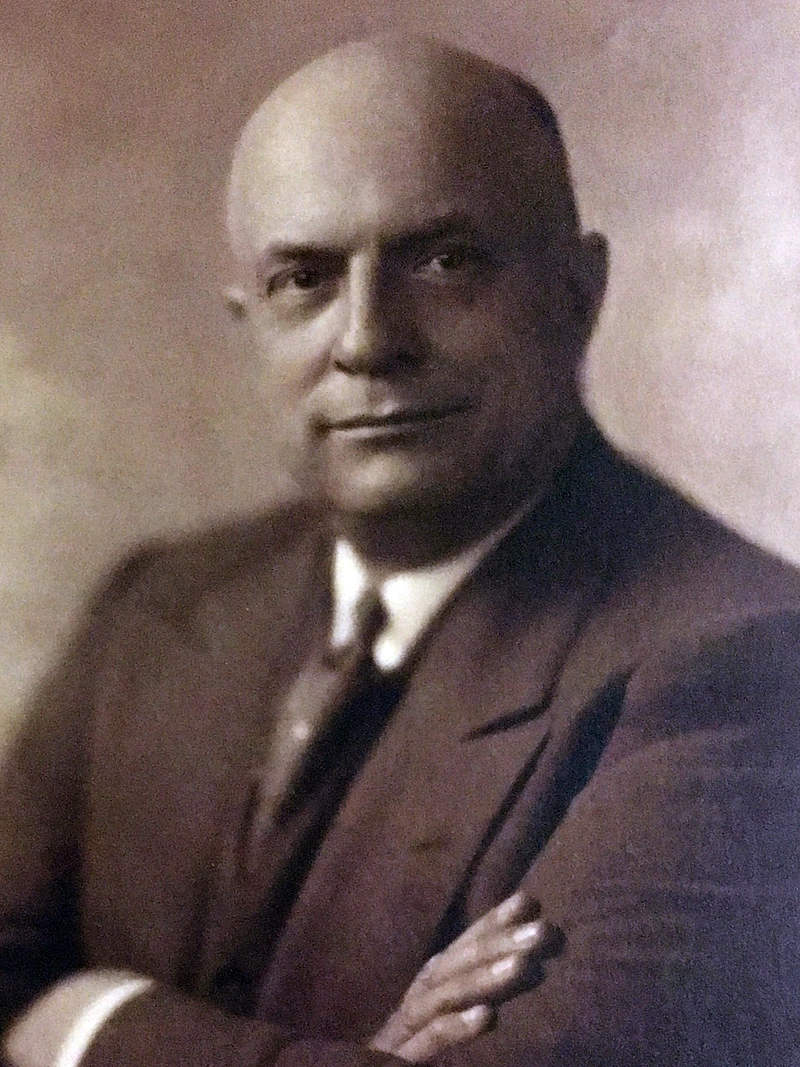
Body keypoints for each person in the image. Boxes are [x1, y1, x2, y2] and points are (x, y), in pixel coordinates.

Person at [3, 33, 800, 1067]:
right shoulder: (159, 605)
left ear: (578, 293)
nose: (368, 340)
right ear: (248, 323)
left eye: (443, 261)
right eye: (304, 279)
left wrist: (83, 1022)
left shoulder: (746, 663)